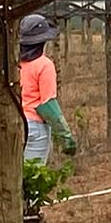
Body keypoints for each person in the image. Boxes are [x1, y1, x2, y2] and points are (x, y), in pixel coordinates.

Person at [18, 14, 78, 166]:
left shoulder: (16, 64)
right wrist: (65, 135)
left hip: (18, 123)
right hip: (36, 127)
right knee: (34, 177)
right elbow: (47, 103)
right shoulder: (44, 65)